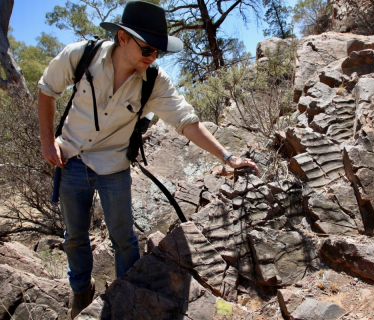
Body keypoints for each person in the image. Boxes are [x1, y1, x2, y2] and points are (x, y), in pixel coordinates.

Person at [37, 1, 259, 317]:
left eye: (158, 51)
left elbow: (188, 123)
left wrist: (228, 156)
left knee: (124, 240)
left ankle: (129, 297)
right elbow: (47, 90)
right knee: (74, 238)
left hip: (114, 167)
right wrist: (47, 141)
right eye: (147, 49)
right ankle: (80, 294)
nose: (152, 56)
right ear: (123, 38)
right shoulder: (81, 56)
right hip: (70, 158)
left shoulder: (155, 81)